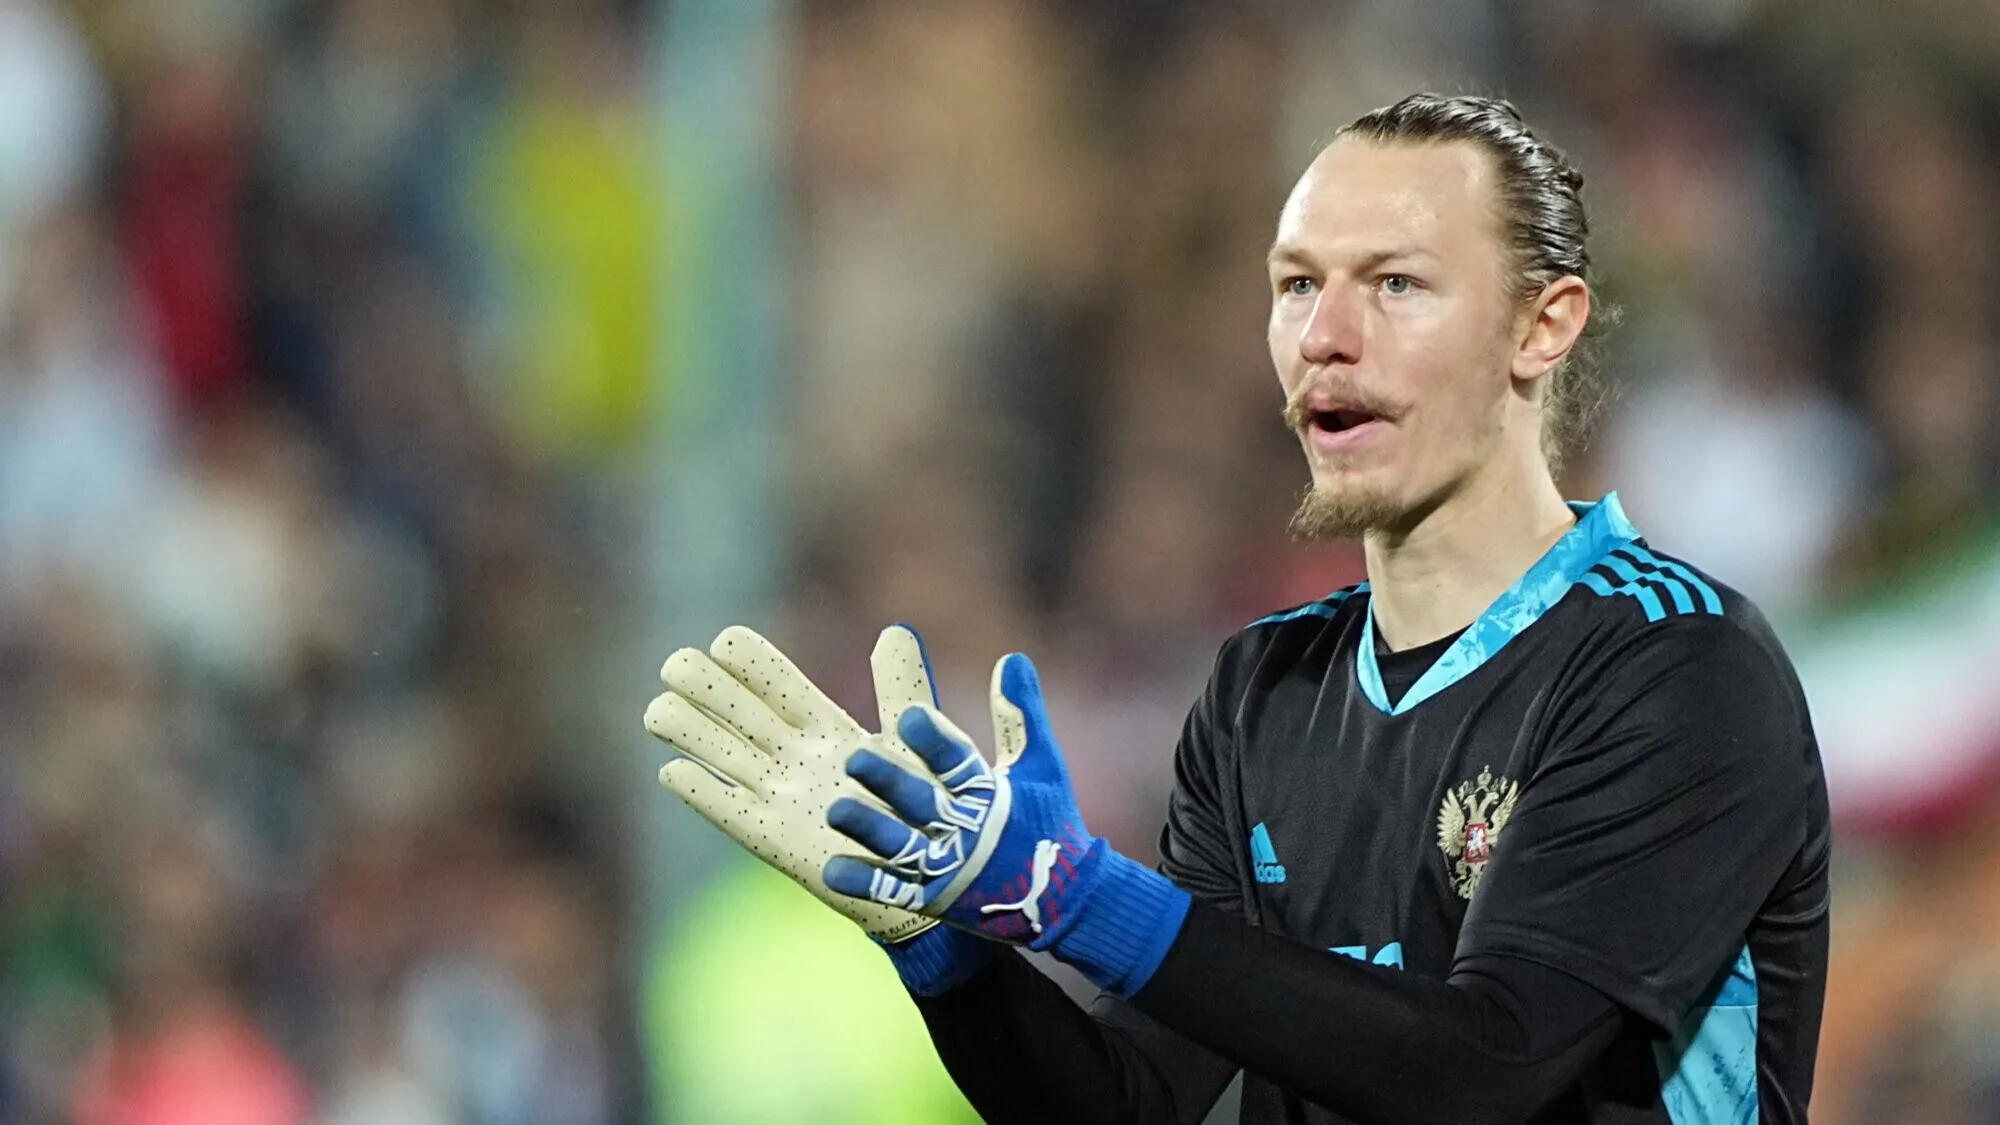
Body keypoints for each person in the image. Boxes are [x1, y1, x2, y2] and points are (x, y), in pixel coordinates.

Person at [648, 93, 1829, 1124]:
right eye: (1297, 285)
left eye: (1396, 284)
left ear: (1540, 325)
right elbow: (1129, 1100)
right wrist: (946, 946)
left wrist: (1074, 895)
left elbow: (1484, 1070)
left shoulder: (1676, 667)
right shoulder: (1265, 691)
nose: (1324, 337)